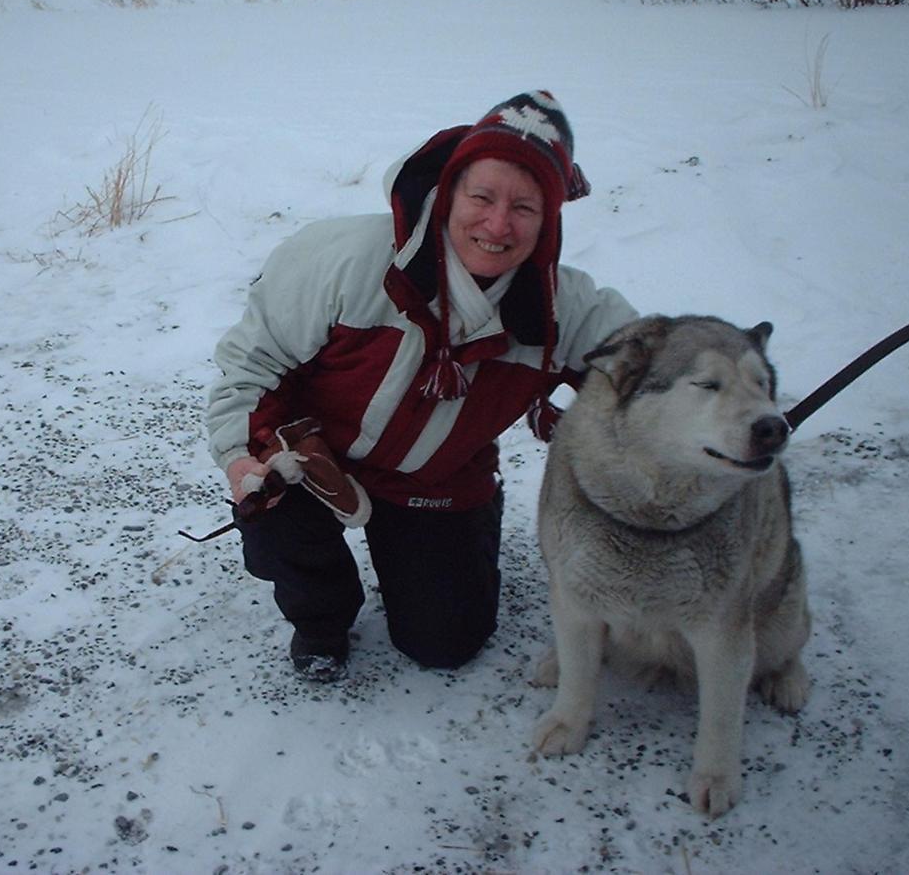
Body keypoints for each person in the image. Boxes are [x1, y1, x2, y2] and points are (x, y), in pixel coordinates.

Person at [206, 91, 638, 681]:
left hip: (436, 478)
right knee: (275, 518)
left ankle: (461, 530)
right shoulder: (342, 261)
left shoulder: (567, 310)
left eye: (525, 207)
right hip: (313, 461)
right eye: (481, 197)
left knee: (444, 644)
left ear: (550, 218)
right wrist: (240, 455)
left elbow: (651, 369)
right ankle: (322, 618)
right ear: (449, 191)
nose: (497, 224)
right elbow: (250, 369)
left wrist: (726, 406)